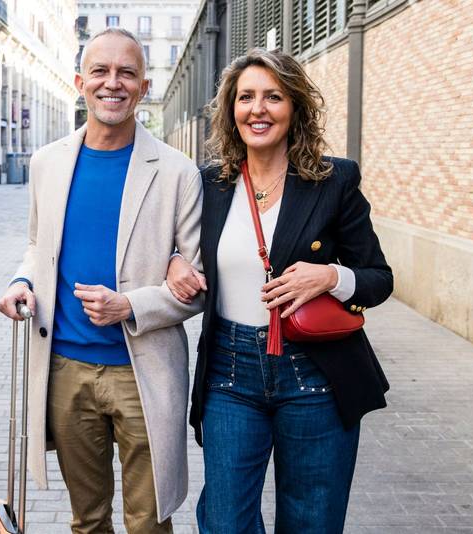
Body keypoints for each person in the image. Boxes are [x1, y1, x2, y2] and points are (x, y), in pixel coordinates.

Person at [166, 48, 393, 533]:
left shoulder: (333, 181)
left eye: (273, 96)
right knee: (224, 522)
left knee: (312, 520)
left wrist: (331, 277)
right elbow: (176, 247)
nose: (258, 109)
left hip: (315, 375)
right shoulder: (209, 183)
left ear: (295, 108)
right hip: (230, 372)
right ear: (231, 109)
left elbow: (378, 277)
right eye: (246, 97)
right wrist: (174, 261)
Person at [0, 27, 203, 534]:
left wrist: (129, 306)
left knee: (148, 522)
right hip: (64, 368)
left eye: (126, 73)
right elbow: (35, 245)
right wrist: (21, 281)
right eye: (101, 72)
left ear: (144, 87)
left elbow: (197, 286)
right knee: (86, 521)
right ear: (80, 82)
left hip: (144, 371)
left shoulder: (178, 172)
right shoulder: (46, 162)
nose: (113, 83)